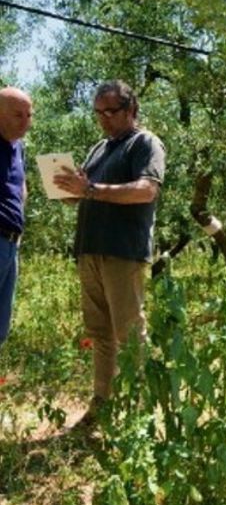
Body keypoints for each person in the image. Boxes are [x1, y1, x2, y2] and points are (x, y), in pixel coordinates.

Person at [54, 80, 165, 429]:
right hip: (90, 250)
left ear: (132, 110)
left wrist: (91, 188)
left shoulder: (145, 143)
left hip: (122, 251)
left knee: (130, 336)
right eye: (98, 112)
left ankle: (139, 416)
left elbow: (146, 191)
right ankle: (101, 407)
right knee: (99, 333)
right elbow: (87, 194)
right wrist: (69, 190)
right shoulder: (99, 148)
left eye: (111, 111)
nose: (104, 119)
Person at [0, 86, 33, 347]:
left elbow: (21, 187)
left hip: (11, 243)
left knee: (1, 326)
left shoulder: (18, 147)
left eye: (29, 115)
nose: (26, 122)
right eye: (17, 115)